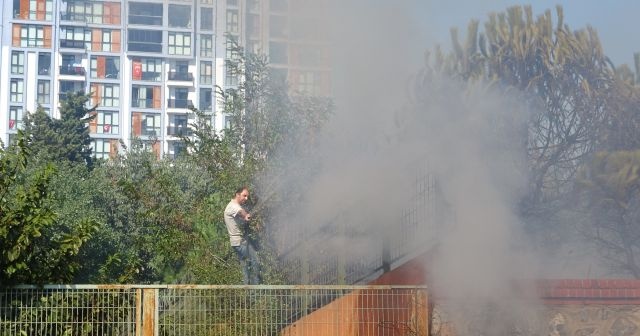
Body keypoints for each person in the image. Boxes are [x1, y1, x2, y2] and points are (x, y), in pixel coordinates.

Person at [223, 186, 262, 284]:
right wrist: (246, 215)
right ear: (237, 194)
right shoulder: (233, 206)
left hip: (241, 242)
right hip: (240, 243)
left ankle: (248, 292)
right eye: (244, 196)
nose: (246, 198)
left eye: (247, 196)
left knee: (247, 266)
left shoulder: (236, 206)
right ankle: (253, 293)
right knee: (253, 263)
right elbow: (241, 212)